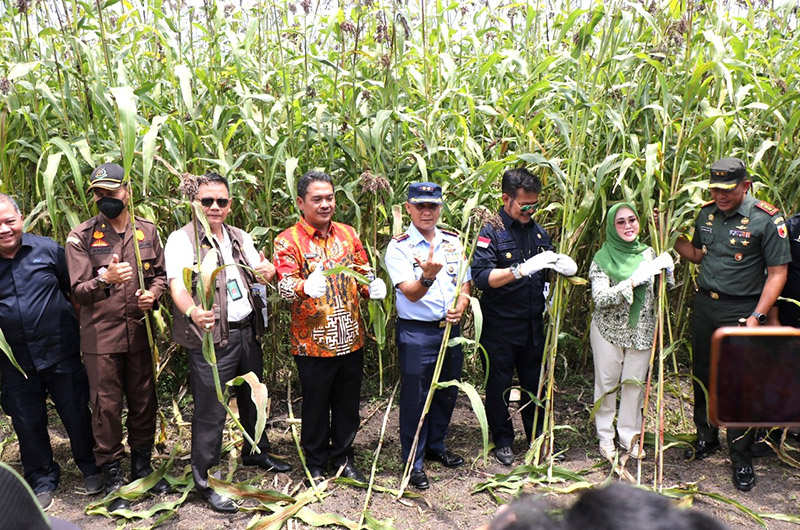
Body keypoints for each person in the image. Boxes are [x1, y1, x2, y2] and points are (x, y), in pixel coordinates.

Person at [165, 172, 291, 513]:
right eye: (207, 201)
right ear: (196, 203)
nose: (214, 207)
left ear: (230, 204)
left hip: (246, 330)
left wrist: (267, 271)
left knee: (253, 397)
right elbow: (176, 284)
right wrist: (192, 311)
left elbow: (259, 269)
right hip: (211, 337)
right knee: (211, 410)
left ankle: (256, 451)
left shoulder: (238, 236)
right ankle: (207, 481)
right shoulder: (182, 240)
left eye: (221, 201)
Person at [674, 157, 790, 492]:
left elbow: (778, 273)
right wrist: (667, 232)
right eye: (714, 189)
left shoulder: (766, 219)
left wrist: (758, 317)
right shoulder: (706, 214)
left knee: (739, 385)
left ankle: (740, 457)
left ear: (745, 186)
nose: (720, 195)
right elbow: (697, 254)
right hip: (705, 306)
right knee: (702, 374)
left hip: (741, 312)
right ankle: (705, 438)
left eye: (727, 189)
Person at [66, 163, 170, 511]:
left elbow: (160, 276)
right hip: (101, 339)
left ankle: (142, 467)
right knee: (106, 408)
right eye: (98, 193)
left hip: (139, 334)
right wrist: (105, 280)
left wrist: (152, 295)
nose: (105, 199)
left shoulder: (147, 231)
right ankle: (111, 474)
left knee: (144, 402)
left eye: (111, 191)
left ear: (126, 190)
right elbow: (78, 292)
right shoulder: (81, 236)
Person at [273, 170, 386, 484]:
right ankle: (316, 462)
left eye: (329, 198)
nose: (325, 204)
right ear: (301, 202)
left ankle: (344, 458)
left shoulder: (348, 234)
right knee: (316, 404)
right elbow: (283, 284)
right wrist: (302, 286)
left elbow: (363, 273)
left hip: (351, 337)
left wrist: (372, 287)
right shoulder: (288, 239)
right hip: (312, 342)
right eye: (317, 199)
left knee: (348, 404)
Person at [0, 194, 101, 511]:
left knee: (75, 411)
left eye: (9, 220)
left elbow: (73, 289)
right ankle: (42, 479)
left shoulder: (47, 249)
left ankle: (90, 466)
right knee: (27, 421)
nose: (4, 229)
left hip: (59, 350)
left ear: (21, 218)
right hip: (14, 361)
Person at [470, 168, 578, 466]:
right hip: (500, 325)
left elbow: (548, 271)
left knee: (535, 384)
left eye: (535, 205)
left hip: (533, 324)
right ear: (506, 199)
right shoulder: (491, 231)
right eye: (524, 205)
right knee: (499, 385)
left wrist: (561, 267)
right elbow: (481, 277)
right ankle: (503, 440)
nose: (530, 211)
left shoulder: (538, 232)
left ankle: (536, 438)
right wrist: (519, 270)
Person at [384, 182, 471, 490]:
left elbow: (465, 283)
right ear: (408, 207)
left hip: (450, 330)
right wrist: (428, 276)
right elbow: (410, 293)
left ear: (440, 208)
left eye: (432, 206)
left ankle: (436, 445)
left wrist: (460, 306)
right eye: (420, 205)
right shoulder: (400, 246)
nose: (426, 211)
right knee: (416, 398)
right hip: (417, 333)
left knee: (448, 391)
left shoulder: (452, 241)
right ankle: (413, 462)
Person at [589, 203, 674, 461]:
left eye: (632, 220)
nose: (628, 226)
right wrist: (632, 281)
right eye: (621, 222)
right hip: (608, 331)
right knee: (607, 384)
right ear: (612, 227)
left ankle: (629, 436)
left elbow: (660, 291)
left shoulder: (648, 253)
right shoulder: (603, 258)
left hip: (641, 331)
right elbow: (600, 298)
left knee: (634, 386)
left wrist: (667, 271)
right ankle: (605, 436)